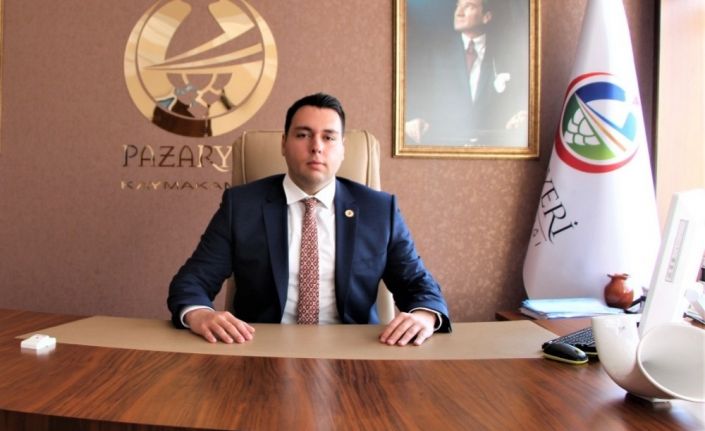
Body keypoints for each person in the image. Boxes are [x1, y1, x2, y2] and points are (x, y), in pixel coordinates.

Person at [168, 92, 451, 346]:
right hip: (261, 350)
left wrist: (424, 316)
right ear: (284, 143)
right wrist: (200, 314)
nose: (316, 146)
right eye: (303, 135)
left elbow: (419, 285)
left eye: (329, 137)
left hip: (354, 353)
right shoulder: (242, 206)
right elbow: (192, 282)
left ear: (343, 148)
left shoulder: (379, 210)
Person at [405, 0, 528, 145]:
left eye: (469, 6)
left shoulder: (507, 54)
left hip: (492, 146)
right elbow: (419, 94)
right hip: (445, 145)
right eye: (458, 6)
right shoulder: (435, 52)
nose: (459, 13)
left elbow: (518, 101)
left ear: (486, 16)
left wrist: (520, 116)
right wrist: (411, 119)